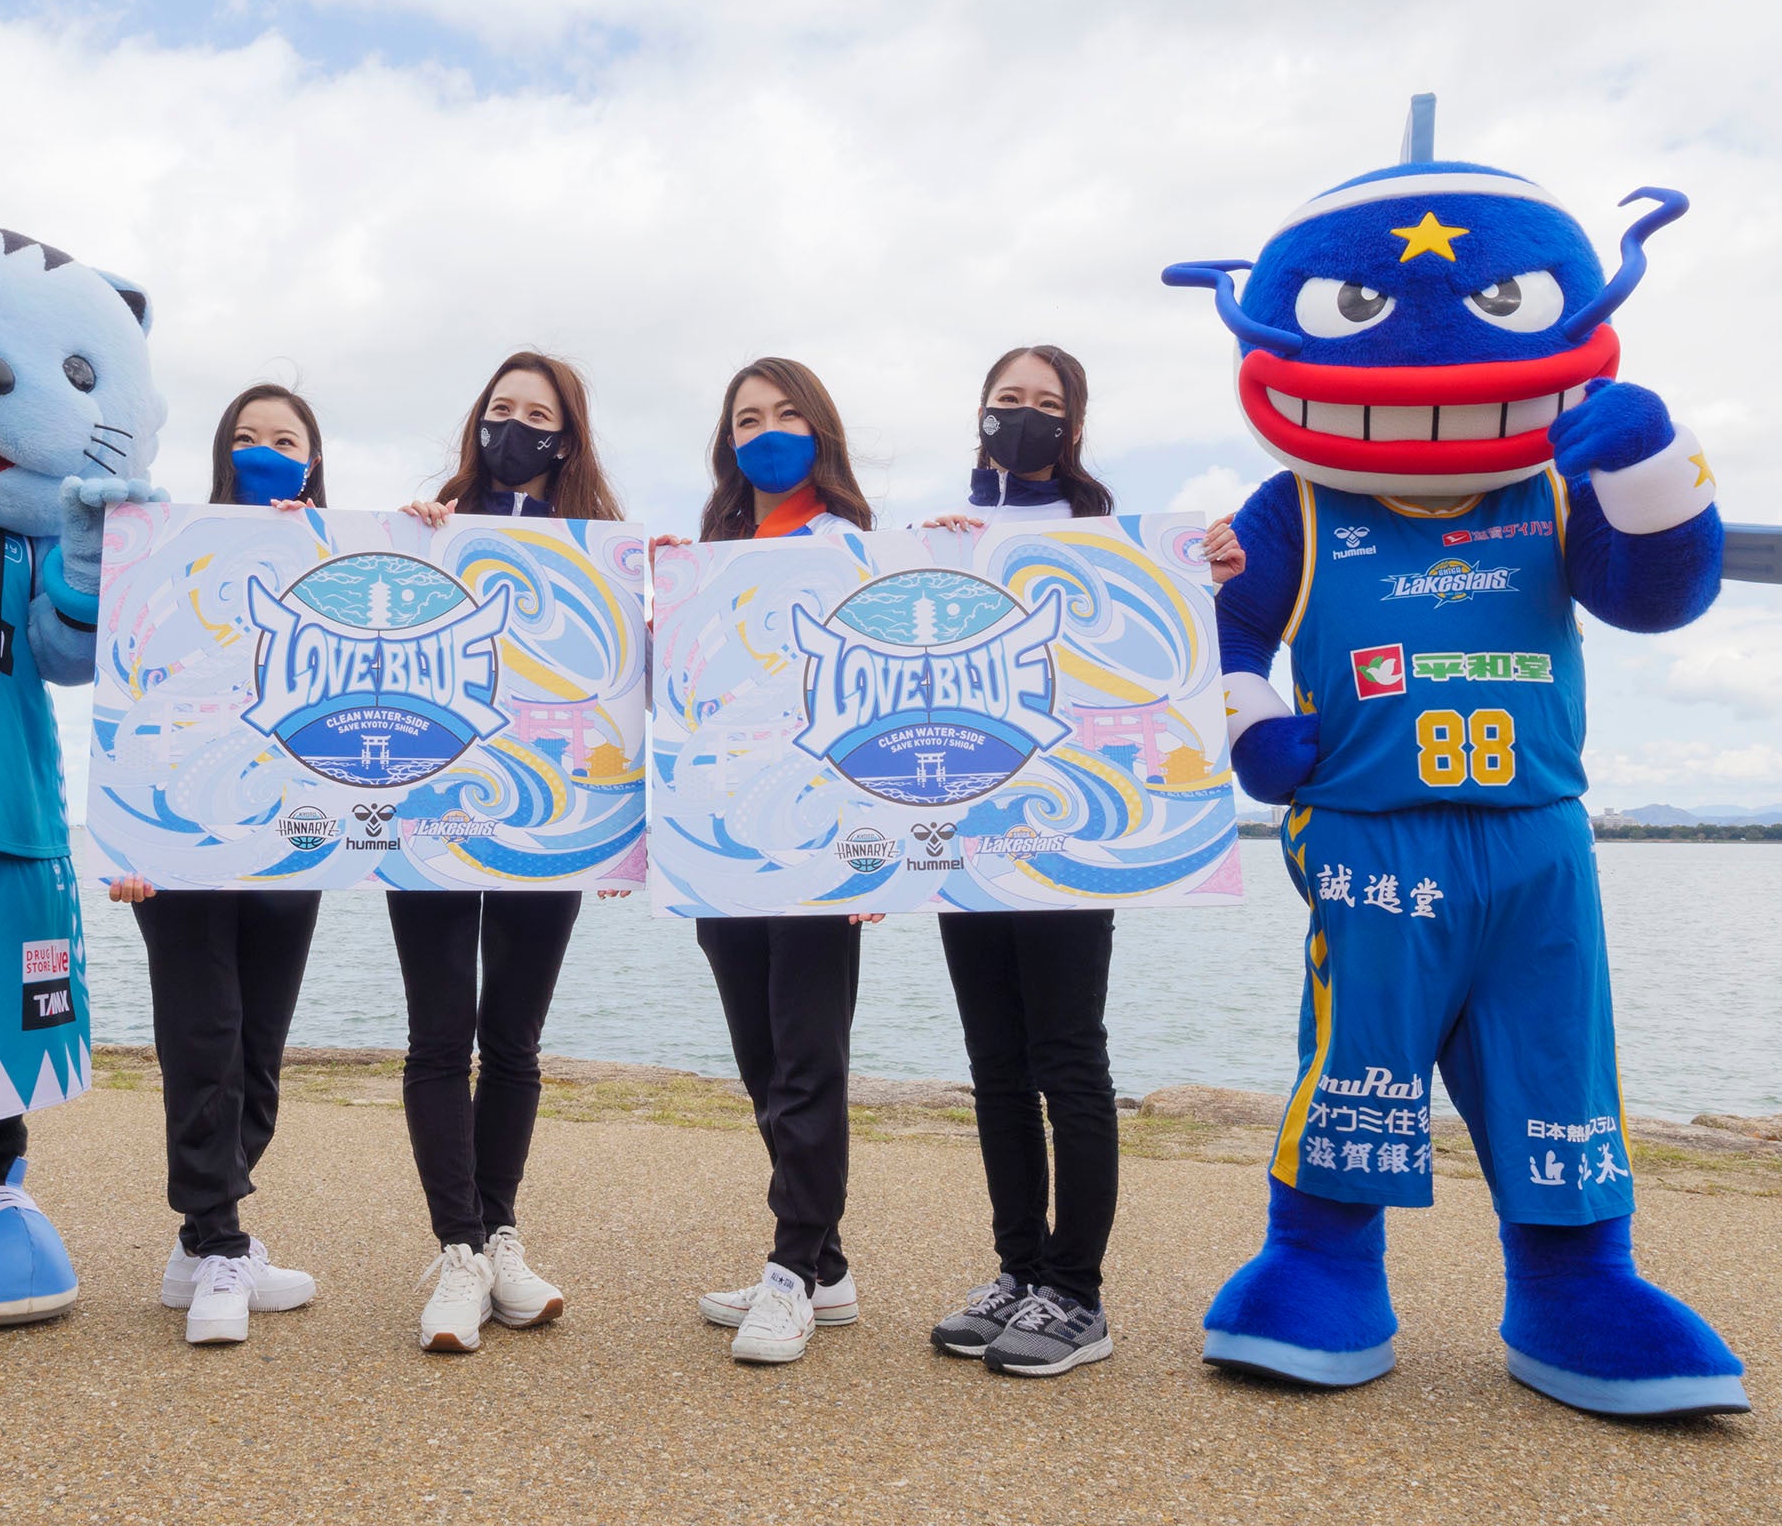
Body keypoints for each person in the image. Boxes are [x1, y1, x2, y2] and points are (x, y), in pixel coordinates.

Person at [914, 344, 1242, 1377]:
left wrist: (1214, 576)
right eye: (1006, 399)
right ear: (980, 415)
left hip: (1071, 837)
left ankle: (1077, 1293)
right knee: (995, 1066)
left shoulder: (1109, 537)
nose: (1024, 415)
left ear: (1076, 425)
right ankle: (1018, 1270)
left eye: (1045, 402)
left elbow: (1163, 661)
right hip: (964, 834)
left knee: (1067, 1058)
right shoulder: (943, 538)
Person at [391, 350, 629, 1353]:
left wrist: (619, 824)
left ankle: (498, 1234)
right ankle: (458, 1250)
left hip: (549, 820)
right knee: (441, 1035)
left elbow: (630, 680)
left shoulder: (602, 550)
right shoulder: (428, 527)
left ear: (567, 437)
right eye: (502, 409)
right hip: (431, 811)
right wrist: (403, 540)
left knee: (515, 1040)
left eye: (538, 415)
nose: (516, 428)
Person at [653, 356, 880, 1366]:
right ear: (727, 441)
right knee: (761, 1060)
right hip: (721, 843)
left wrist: (880, 852)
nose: (768, 431)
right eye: (748, 419)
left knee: (808, 1060)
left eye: (787, 414)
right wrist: (653, 604)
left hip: (821, 844)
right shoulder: (709, 559)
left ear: (820, 430)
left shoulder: (854, 550)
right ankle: (825, 1265)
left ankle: (791, 1270)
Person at [106, 383, 329, 1346]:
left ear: (314, 459)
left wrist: (415, 532)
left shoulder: (339, 560)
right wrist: (126, 838)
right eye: (246, 436)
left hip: (289, 840)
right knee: (206, 1044)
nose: (265, 450)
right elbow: (128, 684)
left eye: (285, 438)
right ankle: (223, 1245)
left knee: (258, 1059)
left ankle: (198, 1247)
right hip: (182, 843)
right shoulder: (171, 552)